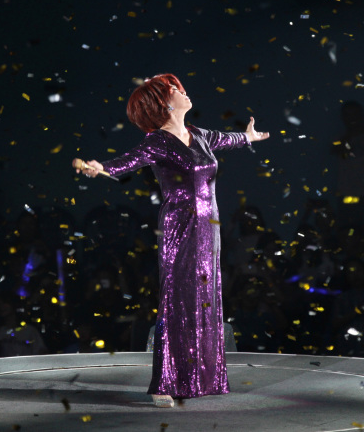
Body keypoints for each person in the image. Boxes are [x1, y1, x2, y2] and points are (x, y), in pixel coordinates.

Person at [72, 73, 269, 407]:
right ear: (163, 103)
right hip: (180, 228)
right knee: (177, 300)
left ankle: (201, 378)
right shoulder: (157, 142)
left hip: (209, 229)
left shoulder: (200, 135)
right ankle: (164, 381)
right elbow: (127, 162)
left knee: (205, 298)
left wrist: (246, 137)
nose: (183, 91)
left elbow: (226, 139)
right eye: (174, 89)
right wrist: (100, 167)